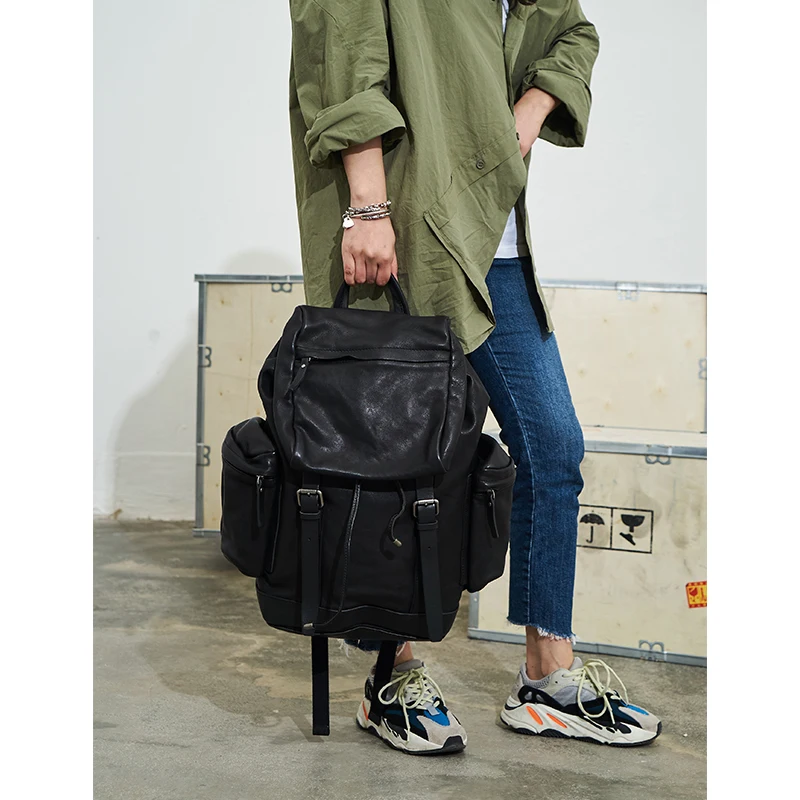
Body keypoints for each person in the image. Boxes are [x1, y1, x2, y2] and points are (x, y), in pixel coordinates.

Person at [288, 0, 661, 754]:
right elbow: (342, 43)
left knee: (552, 446)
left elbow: (571, 29)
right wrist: (367, 205)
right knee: (394, 462)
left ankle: (546, 674)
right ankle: (392, 674)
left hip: (498, 239)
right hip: (406, 225)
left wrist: (525, 116)